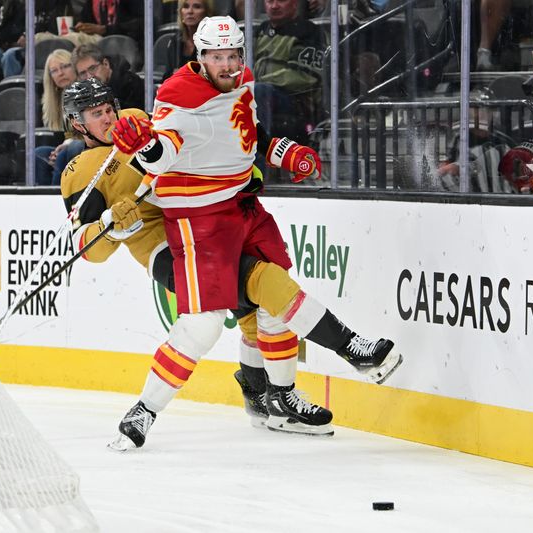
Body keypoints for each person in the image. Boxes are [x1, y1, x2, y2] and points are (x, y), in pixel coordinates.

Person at [108, 17, 402, 449]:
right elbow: (164, 150)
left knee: (273, 301)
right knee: (203, 325)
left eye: (233, 56)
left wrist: (284, 152)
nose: (227, 65)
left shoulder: (242, 80)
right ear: (201, 57)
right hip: (200, 219)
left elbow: (247, 133)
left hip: (243, 205)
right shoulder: (177, 94)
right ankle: (145, 410)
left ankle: (280, 397)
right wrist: (144, 147)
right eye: (217, 57)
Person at [253, 0, 328, 142]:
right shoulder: (261, 31)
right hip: (263, 95)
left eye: (281, 0)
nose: (274, 6)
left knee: (260, 91)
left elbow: (303, 77)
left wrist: (256, 82)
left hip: (298, 104)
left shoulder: (309, 32)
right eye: (270, 1)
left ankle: (260, 160)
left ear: (295, 3)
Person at [35, 49, 80, 186]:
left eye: (65, 66)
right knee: (38, 154)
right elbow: (69, 136)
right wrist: (62, 147)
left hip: (91, 146)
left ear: (74, 66)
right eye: (54, 71)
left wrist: (65, 147)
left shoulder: (84, 91)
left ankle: (58, 198)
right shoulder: (60, 97)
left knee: (62, 156)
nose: (60, 73)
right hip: (72, 145)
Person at [72, 43, 144, 110]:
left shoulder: (131, 84)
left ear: (106, 63)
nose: (89, 77)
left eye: (92, 68)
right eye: (82, 73)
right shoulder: (80, 94)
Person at [162, 0, 213, 82]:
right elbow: (166, 77)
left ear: (207, 13)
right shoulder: (175, 40)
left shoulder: (213, 41)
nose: (190, 11)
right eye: (185, 7)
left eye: (197, 7)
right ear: (180, 13)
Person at [76, 0, 144, 46]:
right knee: (68, 40)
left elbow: (141, 23)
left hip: (126, 42)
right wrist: (81, 24)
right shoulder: (94, 1)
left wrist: (105, 29)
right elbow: (84, 17)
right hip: (98, 39)